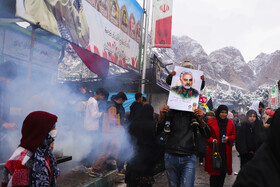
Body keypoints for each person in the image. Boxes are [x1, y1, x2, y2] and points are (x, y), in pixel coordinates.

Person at [1, 111, 60, 187]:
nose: (55, 131)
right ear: (39, 133)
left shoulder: (42, 154)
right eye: (52, 129)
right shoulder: (25, 162)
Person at [157, 104, 211, 187]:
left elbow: (207, 134)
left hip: (189, 156)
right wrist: (161, 116)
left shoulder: (195, 113)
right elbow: (156, 131)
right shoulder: (168, 112)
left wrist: (201, 120)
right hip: (171, 155)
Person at [233, 108, 280, 187]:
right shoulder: (254, 171)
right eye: (250, 116)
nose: (252, 118)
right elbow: (240, 140)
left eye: (254, 116)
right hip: (246, 155)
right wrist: (245, 150)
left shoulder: (259, 126)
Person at [89, 92, 127, 177]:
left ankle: (119, 168)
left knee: (117, 149)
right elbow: (112, 119)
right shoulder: (112, 106)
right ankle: (94, 169)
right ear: (120, 99)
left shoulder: (113, 105)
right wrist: (120, 126)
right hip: (109, 133)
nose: (123, 103)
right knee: (106, 151)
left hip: (112, 132)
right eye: (123, 101)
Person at [125, 104, 161, 187]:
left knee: (132, 182)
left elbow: (127, 140)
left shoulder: (133, 124)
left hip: (133, 157)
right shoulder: (154, 125)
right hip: (147, 160)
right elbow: (158, 143)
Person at [205, 105, 236, 187]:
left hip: (225, 152)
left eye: (226, 112)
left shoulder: (230, 123)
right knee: (214, 175)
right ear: (218, 112)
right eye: (222, 112)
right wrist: (212, 140)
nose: (224, 114)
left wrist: (228, 138)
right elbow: (206, 135)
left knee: (222, 174)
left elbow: (234, 135)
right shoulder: (211, 122)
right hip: (214, 150)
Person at [0, 61, 18, 163]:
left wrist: (7, 125)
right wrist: (4, 124)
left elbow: (5, 110)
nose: (8, 82)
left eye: (10, 80)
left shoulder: (4, 89)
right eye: (6, 78)